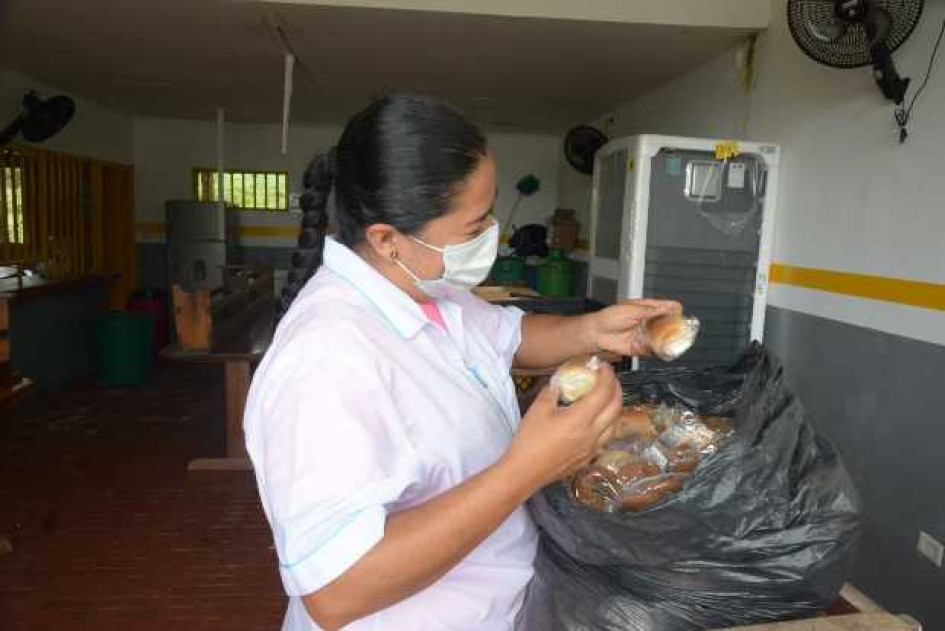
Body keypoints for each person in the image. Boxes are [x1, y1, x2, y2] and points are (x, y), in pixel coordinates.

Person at [243, 94, 679, 631]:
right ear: (387, 240)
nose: (491, 232)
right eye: (474, 227)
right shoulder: (325, 361)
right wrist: (526, 468)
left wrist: (595, 330)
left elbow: (510, 337)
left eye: (490, 210)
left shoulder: (427, 289)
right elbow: (335, 591)